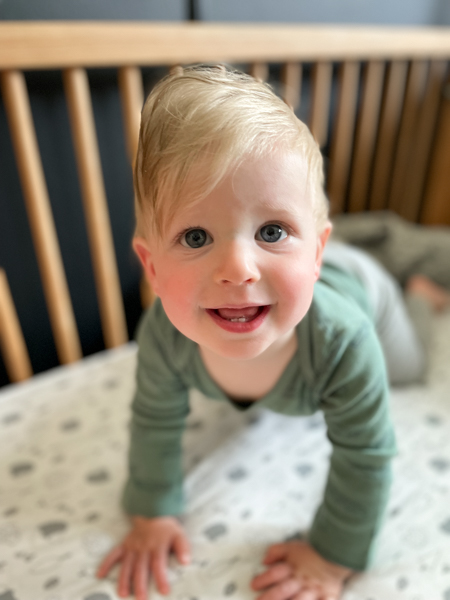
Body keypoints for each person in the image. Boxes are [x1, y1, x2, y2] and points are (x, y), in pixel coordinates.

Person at [96, 65, 424, 600]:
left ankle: (421, 294)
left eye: (271, 230)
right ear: (151, 268)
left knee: (408, 373)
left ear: (315, 252)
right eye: (196, 237)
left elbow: (366, 454)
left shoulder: (345, 340)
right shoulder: (163, 336)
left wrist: (331, 556)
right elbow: (155, 419)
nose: (238, 269)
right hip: (302, 275)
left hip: (367, 291)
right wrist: (152, 511)